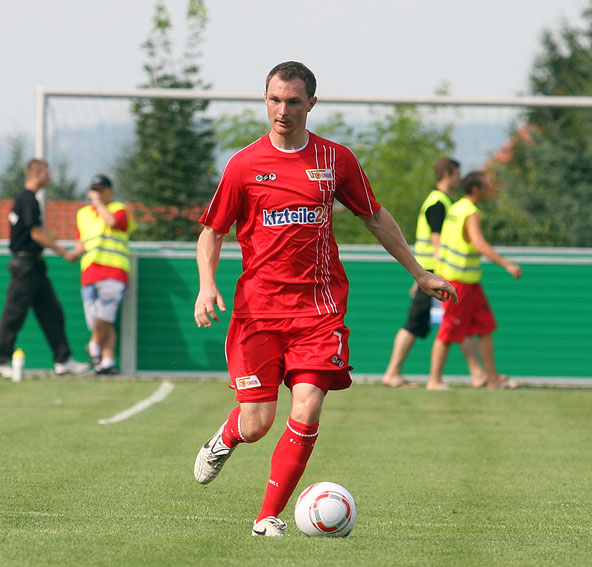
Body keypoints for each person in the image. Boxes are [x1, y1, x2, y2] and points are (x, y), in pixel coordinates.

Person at [192, 61, 458, 537]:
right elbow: (212, 231)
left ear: (311, 103)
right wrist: (206, 285)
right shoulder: (244, 165)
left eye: (294, 101)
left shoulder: (335, 160)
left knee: (308, 406)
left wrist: (419, 272)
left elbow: (374, 216)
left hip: (319, 312)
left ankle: (266, 518)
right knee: (257, 423)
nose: (283, 110)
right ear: (265, 100)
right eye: (275, 100)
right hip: (258, 313)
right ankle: (229, 435)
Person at [382, 158, 486, 388]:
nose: (460, 178)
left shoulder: (444, 201)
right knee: (417, 321)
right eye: (457, 173)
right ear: (448, 174)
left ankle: (478, 373)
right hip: (431, 272)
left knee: (453, 320)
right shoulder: (438, 203)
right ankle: (392, 373)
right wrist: (431, 276)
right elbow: (438, 244)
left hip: (429, 271)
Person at [426, 171, 522, 390]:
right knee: (448, 330)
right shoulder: (470, 212)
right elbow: (479, 244)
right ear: (476, 189)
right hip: (459, 282)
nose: (490, 189)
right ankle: (434, 380)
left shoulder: (456, 208)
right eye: (487, 185)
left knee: (485, 326)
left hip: (468, 281)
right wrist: (507, 264)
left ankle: (493, 380)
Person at [0, 159, 89, 378]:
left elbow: (36, 231)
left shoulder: (25, 199)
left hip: (34, 266)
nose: (50, 177)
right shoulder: (28, 199)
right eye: (47, 172)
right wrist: (65, 252)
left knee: (52, 312)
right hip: (25, 266)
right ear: (38, 174)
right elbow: (35, 233)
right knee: (14, 314)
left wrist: (51, 237)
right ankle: (1, 359)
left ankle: (63, 360)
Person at [74, 175, 135, 374]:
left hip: (114, 270)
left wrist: (99, 204)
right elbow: (80, 241)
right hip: (89, 273)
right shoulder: (82, 214)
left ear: (110, 191)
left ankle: (93, 346)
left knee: (104, 315)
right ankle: (107, 362)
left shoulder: (119, 209)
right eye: (94, 189)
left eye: (101, 189)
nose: (97, 193)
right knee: (99, 322)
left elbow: (112, 222)